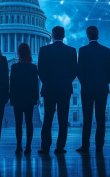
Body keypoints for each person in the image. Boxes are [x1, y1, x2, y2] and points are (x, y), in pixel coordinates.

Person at [38, 26, 77, 154]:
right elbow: (73, 73)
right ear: (63, 35)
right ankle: (60, 147)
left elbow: (41, 72)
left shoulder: (44, 50)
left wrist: (48, 83)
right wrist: (65, 82)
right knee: (63, 119)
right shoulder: (71, 51)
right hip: (65, 89)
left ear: (52, 36)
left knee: (47, 119)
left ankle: (45, 146)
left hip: (49, 89)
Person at [76, 26, 110, 153]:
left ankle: (85, 145)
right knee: (100, 117)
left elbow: (79, 72)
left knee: (87, 118)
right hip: (102, 88)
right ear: (98, 35)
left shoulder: (82, 50)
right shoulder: (107, 50)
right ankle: (99, 145)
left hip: (87, 88)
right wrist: (104, 82)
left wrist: (85, 83)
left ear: (88, 35)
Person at [10, 43, 39, 154]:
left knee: (18, 123)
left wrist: (11, 99)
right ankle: (28, 147)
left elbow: (12, 84)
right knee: (29, 123)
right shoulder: (33, 67)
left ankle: (18, 146)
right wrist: (36, 99)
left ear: (18, 53)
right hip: (29, 99)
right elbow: (35, 84)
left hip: (17, 99)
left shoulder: (14, 67)